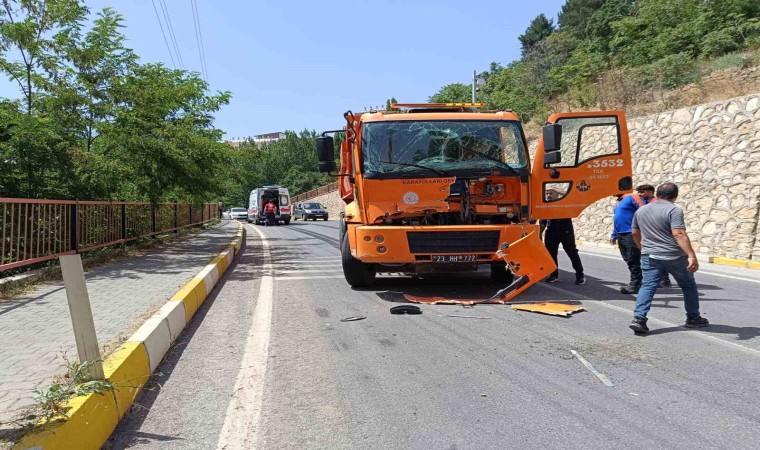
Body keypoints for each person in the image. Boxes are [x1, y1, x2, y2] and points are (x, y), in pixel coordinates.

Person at [629, 182, 708, 334]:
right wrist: (691, 255)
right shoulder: (674, 210)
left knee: (648, 286)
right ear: (675, 196)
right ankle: (693, 318)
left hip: (649, 255)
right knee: (688, 285)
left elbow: (634, 233)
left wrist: (642, 247)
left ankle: (639, 319)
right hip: (674, 256)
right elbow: (679, 233)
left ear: (657, 194)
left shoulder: (641, 210)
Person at [610, 184, 653, 294]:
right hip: (621, 234)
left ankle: (635, 284)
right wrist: (614, 235)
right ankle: (639, 281)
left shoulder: (632, 197)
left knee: (633, 259)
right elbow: (617, 219)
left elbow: (644, 210)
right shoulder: (619, 201)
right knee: (628, 259)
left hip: (631, 233)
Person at [541, 218, 586, 285]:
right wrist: (540, 231)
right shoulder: (546, 207)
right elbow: (543, 218)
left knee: (572, 252)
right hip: (551, 230)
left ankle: (580, 275)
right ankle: (554, 275)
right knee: (551, 254)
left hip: (565, 229)